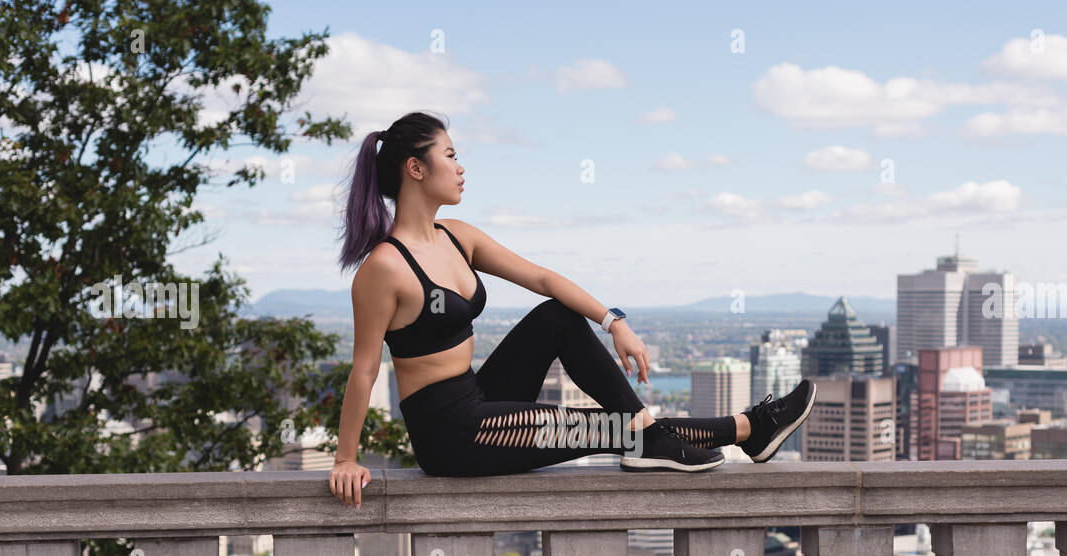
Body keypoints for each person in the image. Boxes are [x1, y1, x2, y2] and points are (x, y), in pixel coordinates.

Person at [328, 110, 815, 507]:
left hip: (479, 395)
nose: (461, 168)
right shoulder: (385, 268)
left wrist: (613, 321)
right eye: (450, 155)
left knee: (557, 316)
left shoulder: (457, 235)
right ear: (415, 168)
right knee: (609, 428)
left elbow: (542, 279)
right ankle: (749, 428)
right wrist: (344, 459)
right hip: (449, 432)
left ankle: (741, 430)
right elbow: (365, 369)